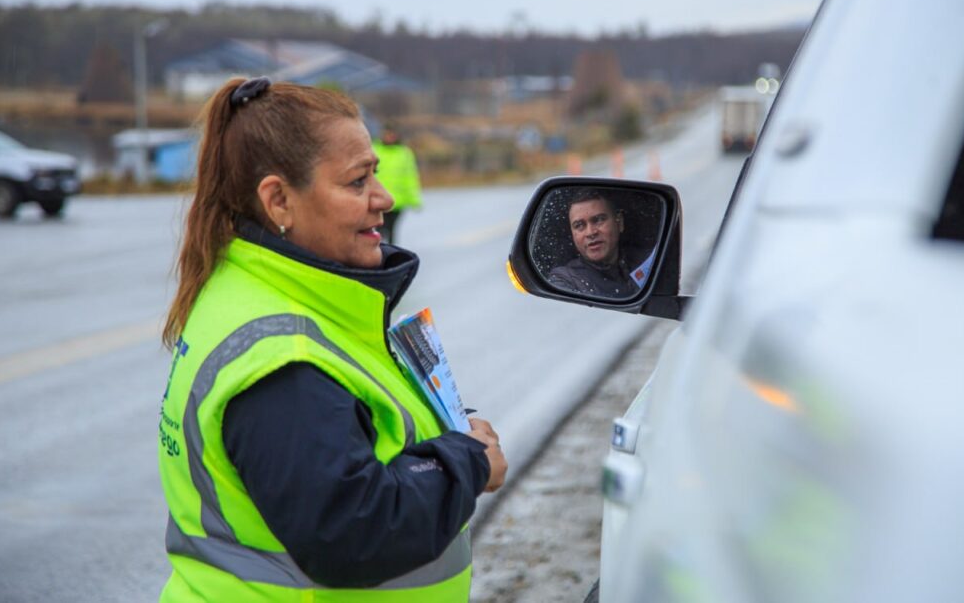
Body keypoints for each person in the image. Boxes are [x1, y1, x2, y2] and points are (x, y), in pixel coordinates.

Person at [157, 77, 507, 602]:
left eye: (376, 174)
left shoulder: (262, 292)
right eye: (357, 182)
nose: (384, 198)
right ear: (279, 200)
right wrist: (467, 462)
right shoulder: (282, 362)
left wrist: (449, 440)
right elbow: (350, 530)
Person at [547, 189, 651, 298]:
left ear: (619, 222)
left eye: (598, 220)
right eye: (579, 225)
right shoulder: (565, 279)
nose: (590, 232)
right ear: (572, 234)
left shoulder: (648, 261)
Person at [372, 123, 422, 245]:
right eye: (387, 134)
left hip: (397, 200)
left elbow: (410, 176)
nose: (389, 137)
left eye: (392, 134)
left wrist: (414, 199)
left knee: (391, 230)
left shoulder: (404, 153)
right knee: (379, 229)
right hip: (378, 198)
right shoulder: (374, 149)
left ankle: (390, 253)